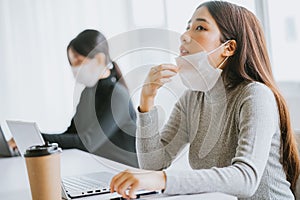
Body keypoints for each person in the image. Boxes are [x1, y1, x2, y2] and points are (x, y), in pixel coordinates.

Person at [109, 1, 300, 199]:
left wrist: (164, 180)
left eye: (200, 27)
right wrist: (146, 100)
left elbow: (246, 179)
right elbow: (153, 165)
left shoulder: (255, 95)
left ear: (229, 47)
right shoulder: (192, 98)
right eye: (187, 27)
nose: (184, 36)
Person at [9, 29, 139, 167]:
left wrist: (36, 139)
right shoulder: (87, 93)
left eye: (78, 61)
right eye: (72, 63)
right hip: (97, 169)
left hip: (124, 174)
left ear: (99, 59)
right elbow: (71, 133)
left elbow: (88, 142)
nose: (75, 68)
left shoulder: (118, 96)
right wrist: (34, 141)